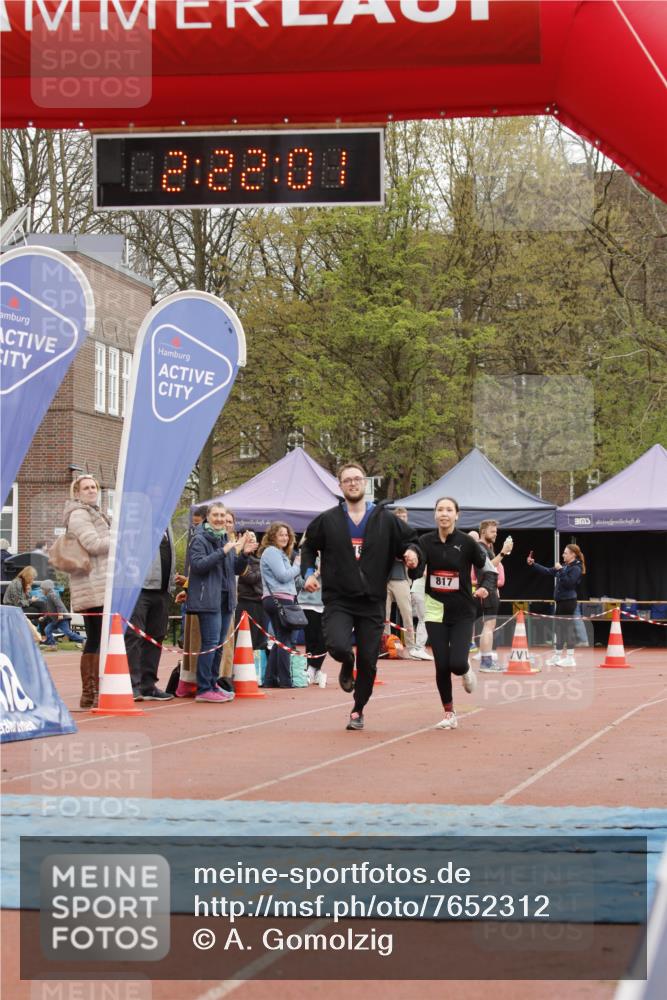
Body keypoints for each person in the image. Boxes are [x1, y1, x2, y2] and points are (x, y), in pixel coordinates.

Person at [300, 462, 422, 731]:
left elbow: (410, 540)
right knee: (338, 646)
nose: (353, 483)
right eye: (347, 480)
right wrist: (308, 574)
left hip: (371, 600)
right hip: (339, 599)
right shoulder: (328, 519)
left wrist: (412, 553)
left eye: (357, 479)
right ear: (340, 486)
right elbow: (308, 546)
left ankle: (358, 709)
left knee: (369, 660)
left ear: (365, 483)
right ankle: (346, 662)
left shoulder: (384, 519)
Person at [419, 497, 488, 731]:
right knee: (441, 665)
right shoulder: (425, 541)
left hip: (462, 611)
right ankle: (449, 713)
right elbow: (416, 571)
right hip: (435, 610)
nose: (444, 514)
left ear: (457, 515)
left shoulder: (467, 542)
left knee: (456, 663)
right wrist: (412, 563)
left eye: (449, 510)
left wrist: (485, 586)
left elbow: (487, 568)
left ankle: (465, 669)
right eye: (440, 509)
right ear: (435, 514)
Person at [186, 502, 257, 702]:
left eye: (222, 516)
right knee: (210, 643)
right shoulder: (199, 539)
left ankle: (213, 683)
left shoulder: (225, 538)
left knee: (219, 644)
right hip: (208, 598)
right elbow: (198, 566)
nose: (219, 519)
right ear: (208, 517)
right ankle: (203, 689)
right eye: (215, 515)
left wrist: (245, 554)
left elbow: (234, 569)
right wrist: (222, 551)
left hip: (226, 598)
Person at [62, 474, 111, 709]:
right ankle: (91, 691)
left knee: (97, 637)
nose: (92, 491)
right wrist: (118, 536)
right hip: (92, 583)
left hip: (99, 582)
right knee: (96, 637)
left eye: (94, 487)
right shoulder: (79, 514)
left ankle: (93, 692)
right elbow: (93, 545)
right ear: (77, 493)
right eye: (87, 488)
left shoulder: (95, 513)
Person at [125, 526, 176, 701]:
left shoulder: (167, 525)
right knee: (134, 636)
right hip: (140, 589)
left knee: (157, 636)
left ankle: (148, 684)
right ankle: (132, 684)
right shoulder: (140, 522)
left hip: (162, 590)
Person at [528, 544, 586, 667]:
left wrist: (560, 570)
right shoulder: (565, 566)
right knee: (559, 629)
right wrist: (533, 564)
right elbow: (547, 571)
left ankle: (570, 658)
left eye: (565, 553)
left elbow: (569, 583)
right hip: (560, 602)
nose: (563, 555)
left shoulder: (576, 568)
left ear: (573, 555)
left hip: (568, 602)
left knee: (567, 629)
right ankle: (558, 655)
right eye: (563, 552)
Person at [259, 521, 301, 688]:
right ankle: (285, 680)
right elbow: (283, 576)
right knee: (284, 640)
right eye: (281, 535)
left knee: (281, 639)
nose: (284, 538)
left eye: (286, 535)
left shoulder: (278, 553)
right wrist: (297, 565)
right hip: (278, 598)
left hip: (280, 598)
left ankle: (270, 679)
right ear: (272, 536)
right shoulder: (272, 552)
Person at [384, 507, 425, 659]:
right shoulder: (387, 533)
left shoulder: (410, 536)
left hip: (401, 579)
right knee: (384, 615)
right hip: (385, 579)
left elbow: (417, 555)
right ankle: (385, 645)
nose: (402, 519)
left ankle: (411, 647)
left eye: (404, 516)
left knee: (407, 613)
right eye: (399, 516)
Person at [475, 520, 513, 673]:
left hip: (490, 589)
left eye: (496, 532)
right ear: (483, 531)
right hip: (487, 589)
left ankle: (487, 661)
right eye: (492, 531)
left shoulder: (486, 547)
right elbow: (488, 566)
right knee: (488, 626)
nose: (495, 534)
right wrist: (503, 553)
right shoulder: (480, 547)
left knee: (489, 625)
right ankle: (486, 663)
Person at [297, 547, 327, 684]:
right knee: (311, 640)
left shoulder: (332, 555)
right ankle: (314, 670)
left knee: (326, 638)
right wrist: (316, 573)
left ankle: (313, 667)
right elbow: (298, 581)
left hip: (327, 603)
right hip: (308, 603)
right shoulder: (304, 557)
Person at [40, 579, 85, 646]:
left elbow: (59, 605)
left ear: (47, 589)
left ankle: (83, 640)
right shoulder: (48, 596)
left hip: (62, 619)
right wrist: (44, 618)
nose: (41, 591)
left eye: (42, 589)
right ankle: (52, 645)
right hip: (56, 620)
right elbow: (50, 612)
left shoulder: (52, 595)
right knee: (47, 630)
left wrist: (60, 615)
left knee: (67, 632)